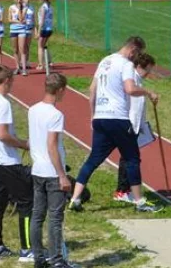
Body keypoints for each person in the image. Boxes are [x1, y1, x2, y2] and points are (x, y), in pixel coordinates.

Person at [69, 36, 161, 213]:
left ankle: (75, 198)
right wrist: (148, 92)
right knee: (132, 158)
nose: (137, 58)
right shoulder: (125, 64)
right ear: (133, 50)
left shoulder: (105, 61)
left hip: (101, 117)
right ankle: (139, 201)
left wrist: (93, 115)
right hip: (118, 118)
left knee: (93, 159)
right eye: (138, 54)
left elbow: (92, 89)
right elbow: (130, 89)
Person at [28, 73, 80, 268]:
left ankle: (38, 259)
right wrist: (62, 175)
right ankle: (57, 261)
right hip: (51, 172)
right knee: (55, 218)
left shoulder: (33, 110)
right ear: (59, 91)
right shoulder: (56, 115)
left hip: (37, 170)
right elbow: (52, 146)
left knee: (37, 216)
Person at [0, 65, 34, 261]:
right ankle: (27, 249)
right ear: (7, 81)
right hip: (7, 161)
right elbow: (3, 135)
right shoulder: (3, 104)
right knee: (26, 202)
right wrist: (23, 144)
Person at [114, 52, 156, 203]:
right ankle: (122, 191)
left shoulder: (137, 80)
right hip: (130, 125)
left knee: (129, 158)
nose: (148, 74)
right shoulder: (131, 80)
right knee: (129, 159)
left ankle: (124, 190)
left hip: (135, 125)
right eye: (147, 70)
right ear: (139, 66)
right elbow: (133, 105)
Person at [7, 0, 27, 76]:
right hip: (13, 30)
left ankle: (24, 69)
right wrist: (17, 21)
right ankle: (17, 67)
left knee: (22, 49)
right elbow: (9, 19)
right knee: (15, 50)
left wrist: (19, 9)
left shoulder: (25, 8)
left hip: (22, 30)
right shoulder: (11, 7)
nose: (19, 1)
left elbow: (22, 19)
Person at [36, 0, 54, 71]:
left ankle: (41, 65)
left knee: (40, 47)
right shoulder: (50, 6)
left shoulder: (43, 7)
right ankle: (49, 62)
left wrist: (38, 32)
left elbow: (42, 21)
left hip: (44, 29)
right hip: (49, 29)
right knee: (44, 46)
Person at [22, 0, 36, 75]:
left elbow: (33, 19)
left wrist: (35, 29)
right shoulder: (21, 7)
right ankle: (21, 62)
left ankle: (27, 61)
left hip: (29, 28)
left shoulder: (31, 7)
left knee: (27, 46)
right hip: (22, 28)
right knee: (22, 46)